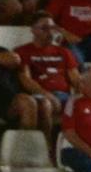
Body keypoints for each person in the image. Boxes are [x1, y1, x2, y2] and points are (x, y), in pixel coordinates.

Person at [16, 12, 79, 145]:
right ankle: (46, 149)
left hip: (64, 96)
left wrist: (81, 96)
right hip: (39, 95)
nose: (50, 32)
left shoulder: (64, 52)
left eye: (52, 28)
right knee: (45, 104)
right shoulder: (22, 52)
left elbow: (76, 79)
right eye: (45, 28)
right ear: (33, 30)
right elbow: (25, 80)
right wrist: (46, 94)